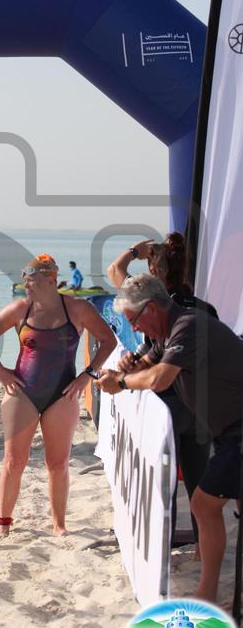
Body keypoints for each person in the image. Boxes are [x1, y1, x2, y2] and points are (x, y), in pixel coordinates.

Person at [96, 274, 243, 602]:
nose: (133, 328)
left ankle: (207, 593)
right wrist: (123, 370)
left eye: (133, 320)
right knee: (212, 504)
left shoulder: (188, 326)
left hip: (237, 429)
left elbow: (159, 379)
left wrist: (121, 384)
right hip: (227, 430)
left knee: (203, 504)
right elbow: (143, 369)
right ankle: (212, 591)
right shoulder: (166, 334)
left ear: (151, 309)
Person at [0, 254, 116, 537]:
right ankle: (3, 523)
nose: (27, 286)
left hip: (62, 395)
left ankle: (59, 525)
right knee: (14, 461)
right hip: (22, 393)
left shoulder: (77, 309)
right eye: (25, 281)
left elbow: (108, 341)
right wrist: (0, 371)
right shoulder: (21, 309)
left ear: (52, 281)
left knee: (58, 463)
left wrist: (87, 376)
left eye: (33, 281)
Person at [107, 233, 217, 548]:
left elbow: (115, 270)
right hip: (201, 405)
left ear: (153, 272)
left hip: (167, 404)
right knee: (198, 483)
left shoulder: (150, 301)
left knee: (163, 483)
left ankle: (160, 551)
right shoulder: (204, 308)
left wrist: (134, 251)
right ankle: (201, 550)